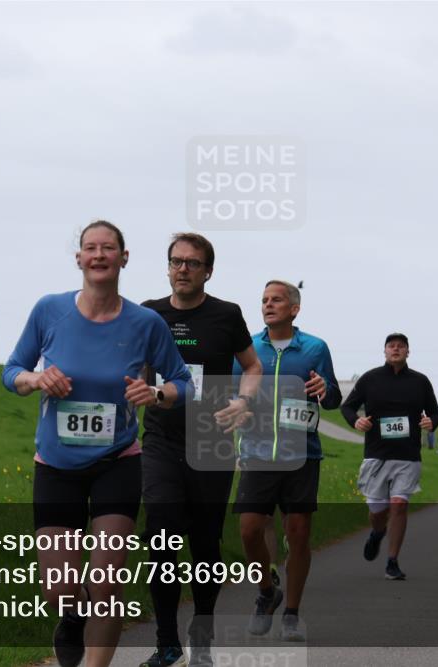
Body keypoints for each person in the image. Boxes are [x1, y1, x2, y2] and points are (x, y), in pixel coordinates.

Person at [2, 221, 193, 667]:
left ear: (123, 258)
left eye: (108, 248)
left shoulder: (145, 323)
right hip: (56, 465)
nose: (99, 255)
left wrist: (156, 393)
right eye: (91, 248)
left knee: (106, 582)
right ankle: (72, 615)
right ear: (79, 259)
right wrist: (36, 379)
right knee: (59, 589)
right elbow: (12, 372)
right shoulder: (49, 311)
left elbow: (183, 381)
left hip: (117, 461)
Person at [139, 233, 263, 667]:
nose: (183, 269)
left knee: (206, 545)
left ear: (208, 271)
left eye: (192, 263)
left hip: (211, 438)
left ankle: (203, 633)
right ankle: (166, 641)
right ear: (168, 267)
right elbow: (133, 367)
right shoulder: (149, 313)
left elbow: (252, 366)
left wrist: (243, 401)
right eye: (176, 261)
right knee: (161, 536)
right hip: (161, 439)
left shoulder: (226, 315)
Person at [233, 280, 342, 642]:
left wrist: (325, 389)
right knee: (249, 529)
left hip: (301, 455)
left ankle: (292, 613)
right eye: (264, 300)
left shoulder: (314, 348)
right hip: (257, 452)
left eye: (276, 300)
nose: (268, 305)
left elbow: (333, 399)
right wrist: (238, 409)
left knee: (298, 533)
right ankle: (267, 591)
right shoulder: (248, 347)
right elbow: (232, 392)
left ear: (294, 309)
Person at [341, 332, 438, 581]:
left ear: (408, 352)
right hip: (377, 454)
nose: (396, 349)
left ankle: (392, 561)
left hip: (408, 455)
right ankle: (377, 533)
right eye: (391, 346)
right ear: (385, 351)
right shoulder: (370, 378)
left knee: (399, 505)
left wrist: (432, 422)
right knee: (378, 511)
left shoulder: (420, 381)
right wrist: (356, 421)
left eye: (401, 346)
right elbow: (347, 407)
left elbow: (435, 412)